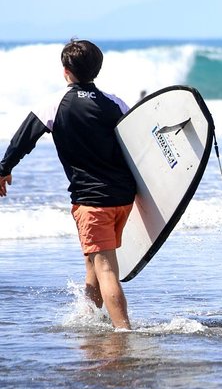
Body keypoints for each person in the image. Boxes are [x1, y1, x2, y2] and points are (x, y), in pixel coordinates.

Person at [0, 39, 136, 329]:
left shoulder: (54, 103)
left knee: (105, 267)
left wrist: (4, 169)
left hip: (92, 202)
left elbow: (23, 140)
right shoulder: (115, 103)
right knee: (93, 261)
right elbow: (140, 145)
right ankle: (89, 319)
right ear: (97, 70)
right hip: (123, 198)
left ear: (65, 71)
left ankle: (123, 332)